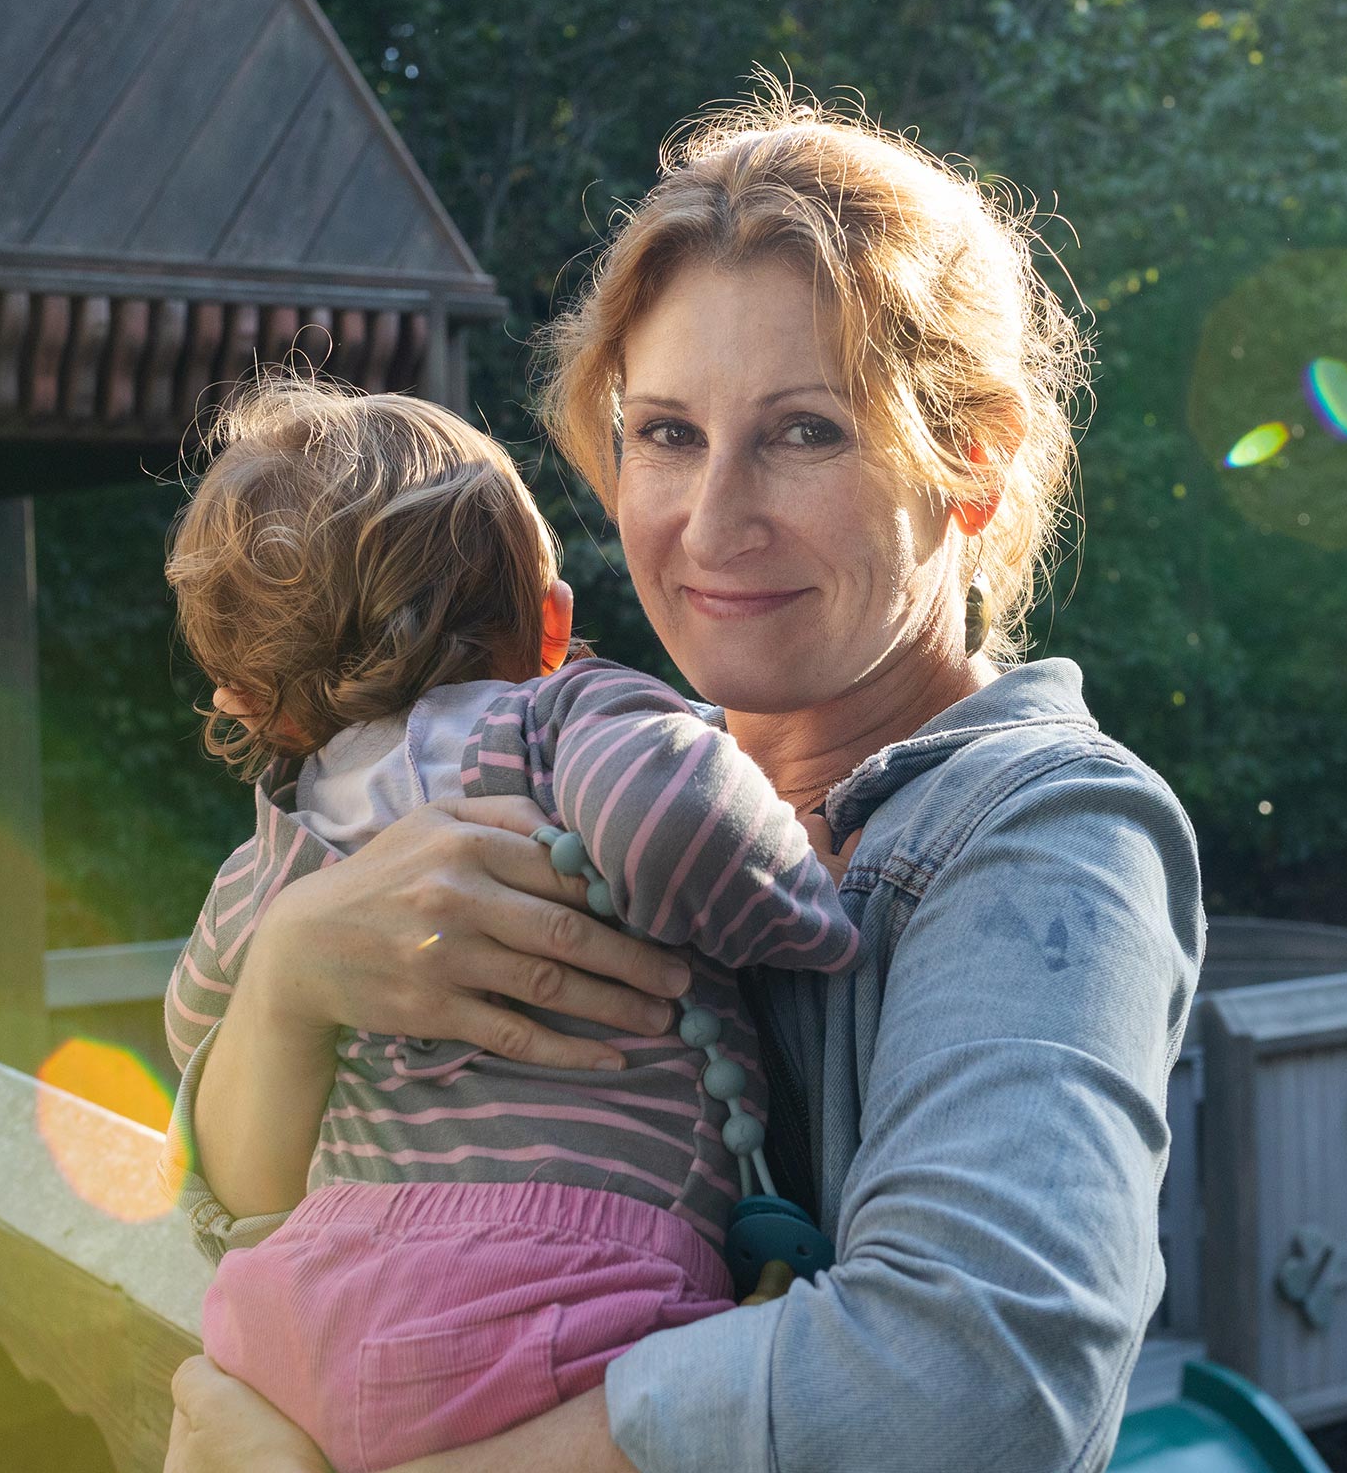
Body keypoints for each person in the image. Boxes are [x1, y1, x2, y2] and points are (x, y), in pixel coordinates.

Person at [163, 85, 1204, 1473]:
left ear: (973, 460)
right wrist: (291, 975)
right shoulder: (551, 780)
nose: (713, 524)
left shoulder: (1048, 835)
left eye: (804, 431)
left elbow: (975, 1374)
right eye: (665, 433)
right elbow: (250, 1217)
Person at [160, 379, 861, 1473]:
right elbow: (674, 821)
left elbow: (194, 1024)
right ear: (550, 623)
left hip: (304, 1331)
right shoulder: (564, 719)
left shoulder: (273, 860)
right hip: (560, 1303)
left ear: (256, 705)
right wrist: (814, 901)